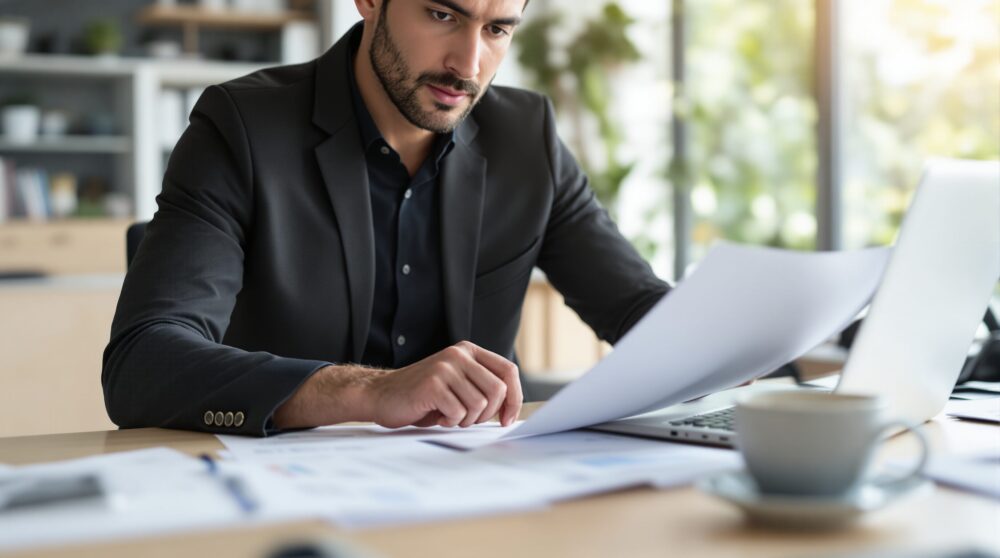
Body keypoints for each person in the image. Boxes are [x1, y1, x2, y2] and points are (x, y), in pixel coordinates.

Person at [102, 0, 669, 437]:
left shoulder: (527, 138)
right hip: (285, 502)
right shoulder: (243, 128)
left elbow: (640, 310)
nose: (468, 64)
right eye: (443, 14)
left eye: (497, 28)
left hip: (476, 497)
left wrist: (750, 343)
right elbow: (143, 362)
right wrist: (369, 392)